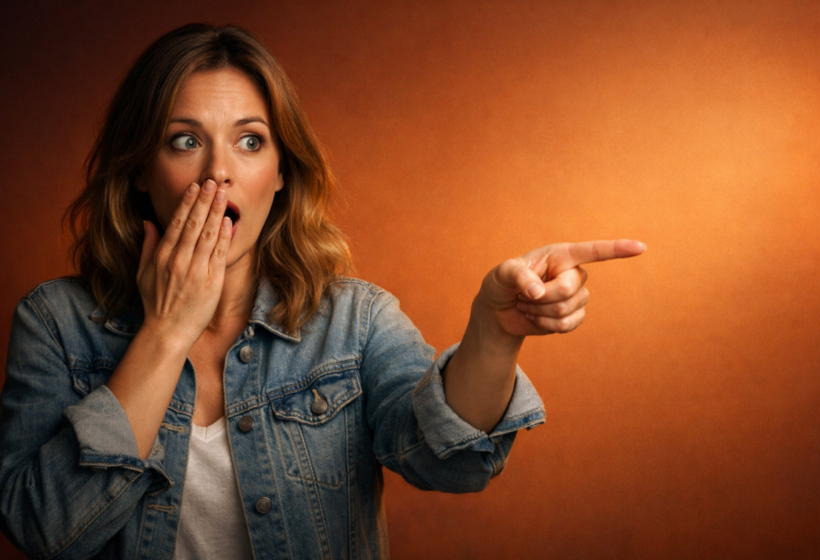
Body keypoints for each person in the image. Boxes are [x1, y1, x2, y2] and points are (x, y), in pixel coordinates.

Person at [0, 23, 645, 560]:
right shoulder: (56, 323)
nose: (218, 172)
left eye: (250, 142)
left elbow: (451, 463)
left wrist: (495, 331)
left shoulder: (355, 321)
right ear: (142, 169)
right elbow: (43, 531)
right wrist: (166, 332)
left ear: (281, 170)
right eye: (185, 141)